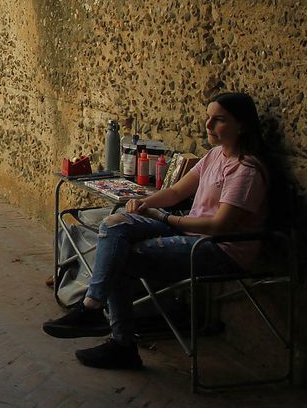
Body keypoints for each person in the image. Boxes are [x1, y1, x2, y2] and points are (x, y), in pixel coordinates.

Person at [43, 92, 272, 370]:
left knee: (122, 257)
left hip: (219, 249)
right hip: (191, 233)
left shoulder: (245, 171)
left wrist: (166, 218)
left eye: (219, 120)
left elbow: (218, 226)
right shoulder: (214, 156)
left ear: (242, 125)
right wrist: (143, 204)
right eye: (208, 118)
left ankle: (120, 342)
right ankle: (93, 306)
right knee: (116, 225)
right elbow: (176, 191)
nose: (209, 126)